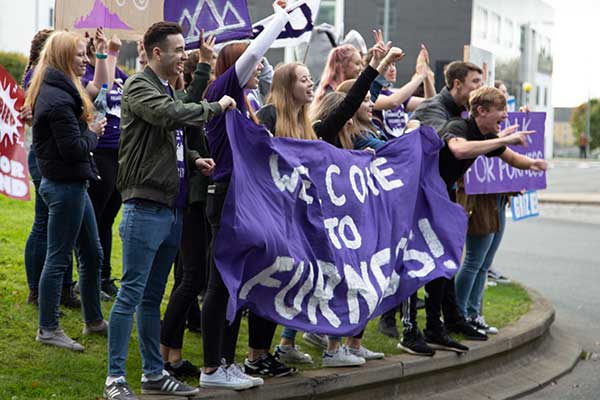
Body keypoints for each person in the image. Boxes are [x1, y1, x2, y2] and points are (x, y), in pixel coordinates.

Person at [103, 21, 234, 400]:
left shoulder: (163, 87)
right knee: (131, 294)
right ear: (155, 52)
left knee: (150, 298)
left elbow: (172, 133)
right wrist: (214, 105)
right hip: (144, 207)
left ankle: (153, 374)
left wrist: (193, 159)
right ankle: (115, 378)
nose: (184, 56)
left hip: (171, 208)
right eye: (178, 50)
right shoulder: (139, 85)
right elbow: (170, 115)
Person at [199, 1, 299, 390]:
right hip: (225, 197)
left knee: (235, 287)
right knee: (219, 285)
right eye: (252, 65)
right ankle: (211, 369)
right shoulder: (221, 89)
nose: (260, 69)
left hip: (242, 201)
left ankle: (225, 361)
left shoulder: (246, 105)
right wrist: (281, 18)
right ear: (235, 67)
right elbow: (257, 52)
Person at [424, 86, 547, 353]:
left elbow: (511, 158)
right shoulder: (458, 126)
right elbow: (459, 150)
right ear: (481, 111)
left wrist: (533, 165)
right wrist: (502, 140)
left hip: (443, 197)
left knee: (448, 263)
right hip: (425, 198)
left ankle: (451, 321)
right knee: (437, 265)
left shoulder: (486, 135)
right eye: (500, 113)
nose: (504, 117)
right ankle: (432, 327)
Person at [397, 61, 489, 357]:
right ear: (458, 84)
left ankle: (438, 326)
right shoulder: (433, 109)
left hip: (439, 195)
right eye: (476, 81)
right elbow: (449, 145)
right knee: (417, 260)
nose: (480, 87)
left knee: (444, 260)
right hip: (417, 197)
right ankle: (410, 332)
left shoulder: (460, 112)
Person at [25, 30, 108, 352]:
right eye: (80, 55)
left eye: (87, 55)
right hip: (64, 186)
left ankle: (94, 321)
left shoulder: (61, 88)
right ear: (62, 57)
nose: (86, 60)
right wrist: (92, 132)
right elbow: (74, 149)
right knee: (58, 259)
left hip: (73, 183)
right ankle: (48, 329)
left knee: (92, 253)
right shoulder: (58, 98)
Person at [159, 34, 217, 380]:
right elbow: (189, 109)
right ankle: (169, 355)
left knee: (188, 277)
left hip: (191, 198)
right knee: (190, 277)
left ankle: (169, 354)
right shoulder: (186, 103)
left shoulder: (183, 100)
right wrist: (206, 65)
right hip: (190, 201)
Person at [22, 29, 80, 309]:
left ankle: (57, 289)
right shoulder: (39, 75)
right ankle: (40, 289)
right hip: (44, 156)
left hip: (43, 153)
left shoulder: (42, 74)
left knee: (52, 224)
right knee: (45, 224)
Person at [83, 31, 127, 299]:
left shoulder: (117, 72)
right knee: (96, 216)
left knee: (108, 216)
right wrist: (105, 54)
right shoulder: (89, 75)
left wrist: (114, 54)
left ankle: (104, 275)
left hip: (119, 153)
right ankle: (90, 278)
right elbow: (101, 93)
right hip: (100, 152)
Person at [370, 44, 436, 138]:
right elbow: (393, 102)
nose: (393, 69)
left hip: (400, 148)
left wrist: (425, 74)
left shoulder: (395, 96)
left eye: (394, 64)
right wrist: (420, 76)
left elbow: (431, 104)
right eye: (388, 65)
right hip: (382, 148)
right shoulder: (369, 95)